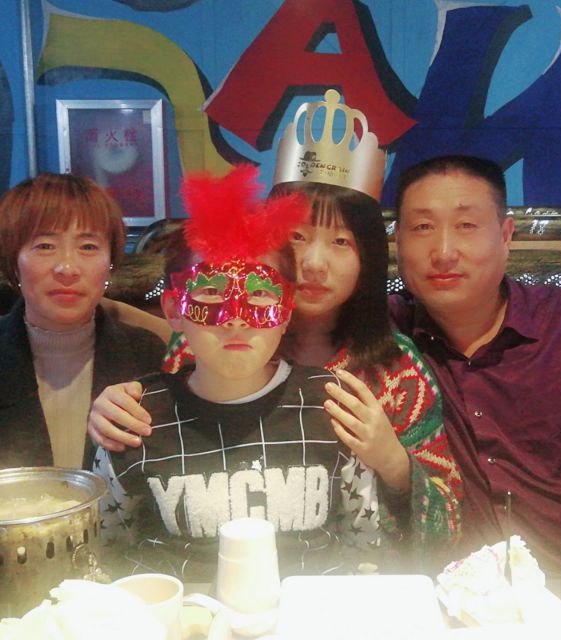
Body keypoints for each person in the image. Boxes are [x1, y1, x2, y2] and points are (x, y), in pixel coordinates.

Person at [89, 92, 462, 568]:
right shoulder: (202, 342)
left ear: (367, 258)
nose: (314, 263)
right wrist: (112, 412)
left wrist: (393, 462)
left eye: (341, 241)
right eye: (297, 237)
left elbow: (448, 526)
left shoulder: (397, 371)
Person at [95, 165, 408, 580]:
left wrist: (396, 463)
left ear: (286, 309)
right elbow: (107, 554)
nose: (236, 318)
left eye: (260, 295)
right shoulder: (138, 421)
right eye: (211, 292)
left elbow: (366, 548)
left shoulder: (333, 406)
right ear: (174, 308)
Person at [388, 154, 561, 578]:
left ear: (506, 235)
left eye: (466, 225)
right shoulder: (388, 335)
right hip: (457, 593)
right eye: (423, 227)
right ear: (398, 241)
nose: (444, 252)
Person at [0, 173, 166, 470]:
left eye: (88, 247)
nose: (67, 268)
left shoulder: (149, 353)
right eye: (45, 246)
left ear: (110, 263)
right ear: (14, 262)